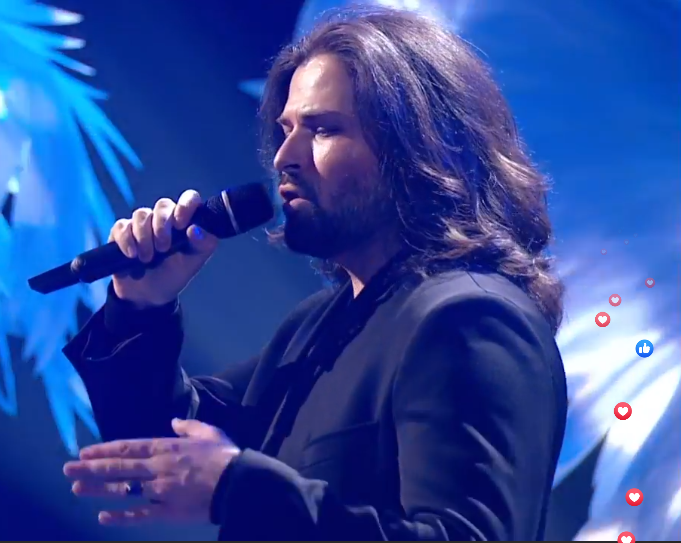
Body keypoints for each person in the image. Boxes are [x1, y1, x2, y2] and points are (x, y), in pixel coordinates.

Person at [61, 6, 568, 541]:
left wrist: (241, 489)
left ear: (419, 148)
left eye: (323, 129)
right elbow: (163, 452)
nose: (285, 156)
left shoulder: (469, 318)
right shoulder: (320, 324)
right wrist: (141, 306)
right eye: (285, 130)